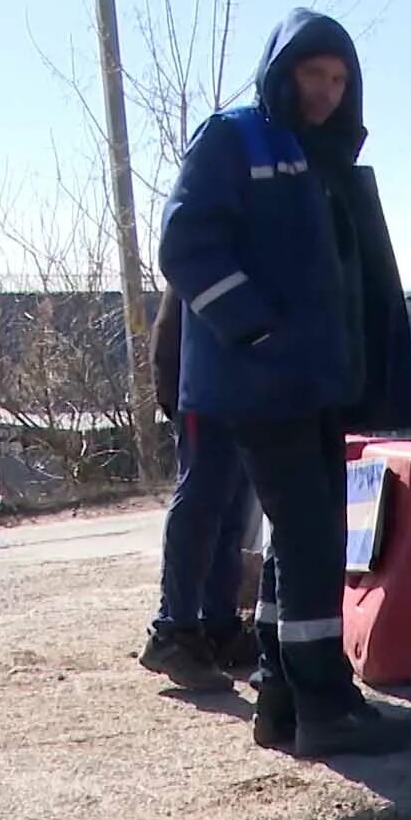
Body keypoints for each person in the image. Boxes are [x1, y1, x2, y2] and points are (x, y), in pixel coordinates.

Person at [156, 7, 411, 757]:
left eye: (339, 78)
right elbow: (185, 244)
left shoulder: (322, 156)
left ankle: (282, 698)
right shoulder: (234, 137)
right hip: (259, 382)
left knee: (296, 541)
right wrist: (257, 327)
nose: (327, 90)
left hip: (315, 384)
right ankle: (326, 706)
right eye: (313, 74)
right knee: (309, 541)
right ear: (282, 72)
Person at [140, 287, 259, 687]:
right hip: (202, 383)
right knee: (203, 500)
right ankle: (174, 630)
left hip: (236, 385)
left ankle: (218, 625)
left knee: (230, 510)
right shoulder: (208, 238)